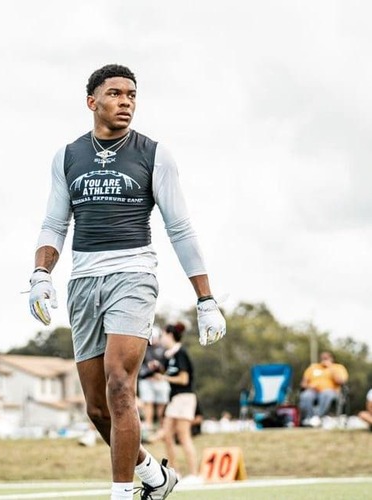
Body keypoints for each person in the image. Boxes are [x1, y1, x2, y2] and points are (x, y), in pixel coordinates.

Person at [28, 63, 226, 500]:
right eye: (116, 94)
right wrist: (41, 273)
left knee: (120, 383)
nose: (126, 102)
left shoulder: (154, 154)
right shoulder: (67, 156)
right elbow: (54, 224)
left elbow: (180, 228)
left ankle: (122, 494)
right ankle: (154, 474)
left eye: (132, 95)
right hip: (84, 280)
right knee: (98, 409)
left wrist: (206, 299)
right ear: (92, 102)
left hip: (133, 274)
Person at [153, 323, 201, 483]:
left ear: (170, 335)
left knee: (183, 435)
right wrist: (157, 369)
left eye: (163, 335)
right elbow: (165, 371)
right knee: (167, 435)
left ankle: (194, 474)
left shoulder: (181, 353)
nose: (161, 338)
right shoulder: (168, 355)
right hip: (174, 399)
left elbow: (184, 379)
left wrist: (164, 377)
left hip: (185, 397)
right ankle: (175, 472)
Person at [299, 351, 349, 427]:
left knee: (326, 394)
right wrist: (309, 386)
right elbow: (303, 383)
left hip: (331, 391)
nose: (324, 360)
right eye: (323, 358)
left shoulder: (338, 367)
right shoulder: (313, 367)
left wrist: (331, 368)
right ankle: (309, 417)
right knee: (306, 395)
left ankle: (318, 417)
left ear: (331, 358)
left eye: (326, 358)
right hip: (313, 391)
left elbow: (341, 381)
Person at [138, 327, 170, 443]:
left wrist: (160, 369)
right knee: (148, 403)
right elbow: (140, 366)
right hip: (147, 380)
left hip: (161, 380)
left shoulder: (164, 349)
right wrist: (148, 371)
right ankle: (149, 428)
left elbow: (167, 366)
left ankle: (163, 430)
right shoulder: (143, 348)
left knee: (162, 405)